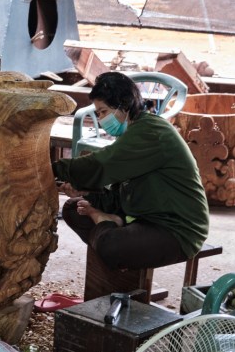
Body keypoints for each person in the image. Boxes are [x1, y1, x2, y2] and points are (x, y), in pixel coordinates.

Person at [52, 71, 209, 270]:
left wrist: (54, 169)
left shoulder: (151, 132)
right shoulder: (133, 133)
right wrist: (87, 192)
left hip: (176, 229)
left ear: (124, 105)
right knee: (73, 208)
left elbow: (101, 164)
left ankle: (104, 224)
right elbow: (121, 193)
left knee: (111, 246)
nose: (100, 120)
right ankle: (111, 226)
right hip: (142, 214)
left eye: (103, 112)